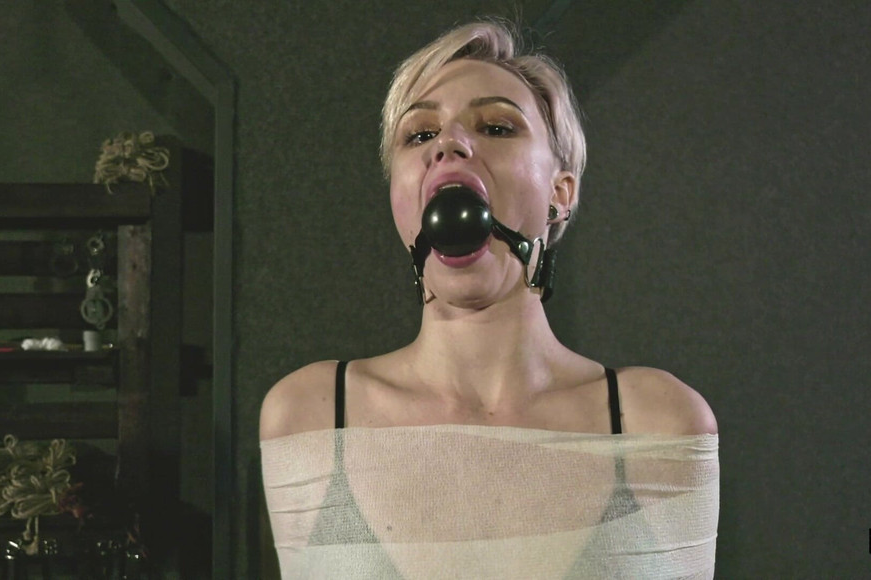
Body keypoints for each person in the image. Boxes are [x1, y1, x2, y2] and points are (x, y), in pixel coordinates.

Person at [260, 19, 719, 579]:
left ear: (560, 192)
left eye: (497, 127)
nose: (449, 144)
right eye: (419, 135)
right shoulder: (308, 416)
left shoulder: (658, 422)